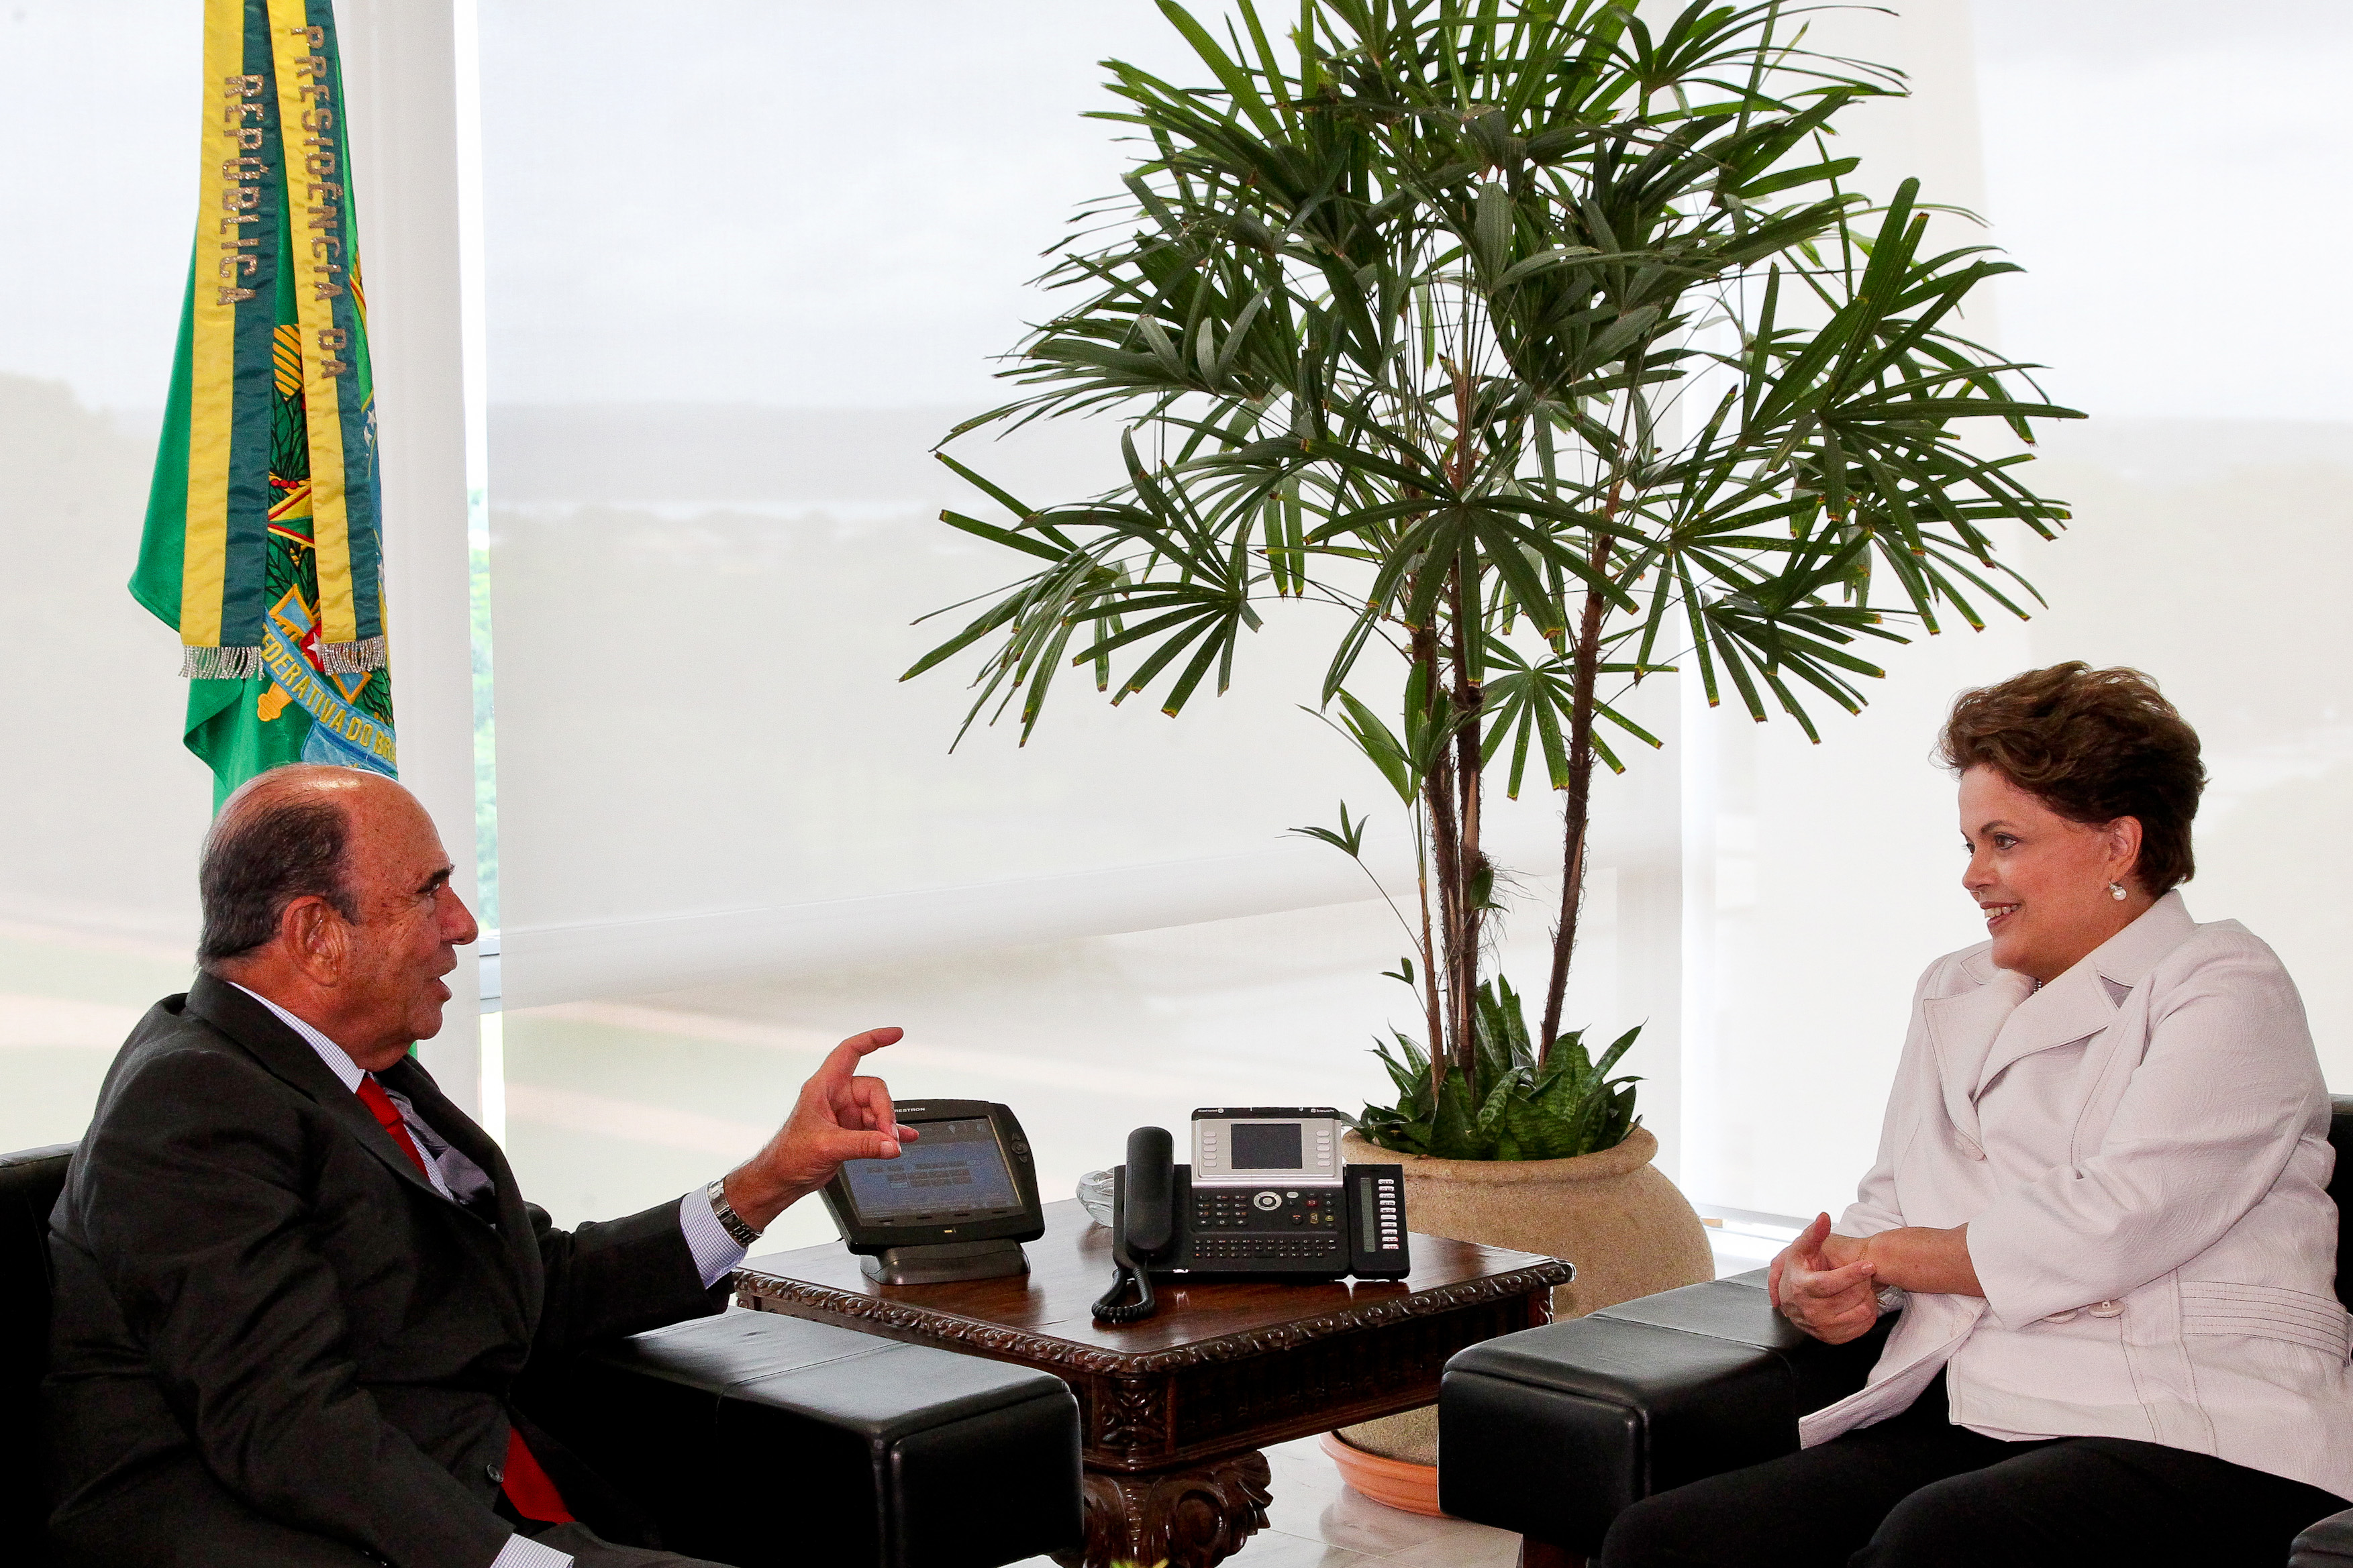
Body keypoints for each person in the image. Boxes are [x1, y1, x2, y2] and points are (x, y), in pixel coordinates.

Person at [42, 765, 919, 1567]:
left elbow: (533, 1283)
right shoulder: (191, 1104)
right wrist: (515, 1564)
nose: (463, 924)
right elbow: (288, 1428)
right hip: (313, 1538)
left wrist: (772, 1177)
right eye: (430, 892)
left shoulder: (352, 1067)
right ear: (316, 934)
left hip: (480, 1493)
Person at [1599, 664, 2353, 1568]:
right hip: (1984, 1403)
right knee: (1666, 1542)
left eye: (2002, 840)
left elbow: (2108, 1219)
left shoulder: (2226, 984)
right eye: (1967, 842)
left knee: (1939, 1546)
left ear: (2117, 843)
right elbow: (1889, 1196)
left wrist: (1884, 1255)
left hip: (2196, 1422)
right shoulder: (1953, 988)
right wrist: (1827, 1283)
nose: (1971, 875)